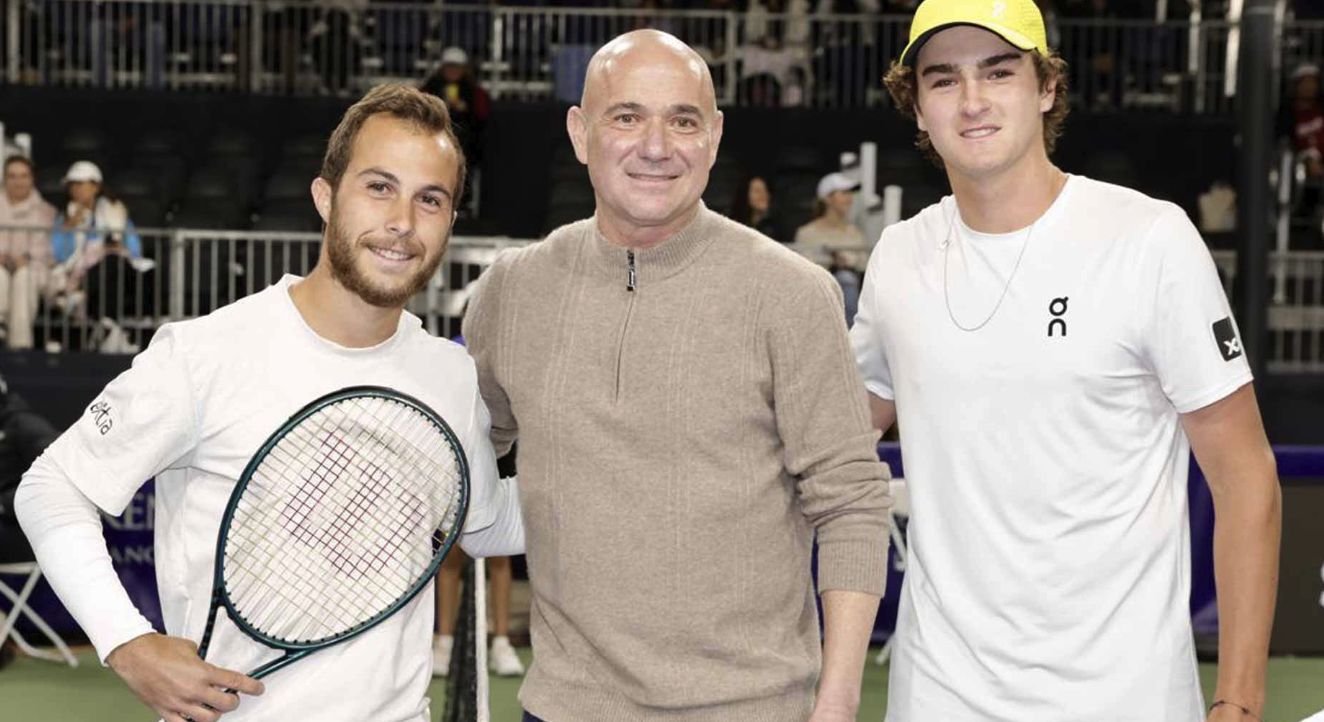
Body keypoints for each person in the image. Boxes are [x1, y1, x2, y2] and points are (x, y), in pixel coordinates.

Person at [16, 84, 525, 722]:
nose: (402, 220)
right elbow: (52, 487)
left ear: (450, 221)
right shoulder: (205, 353)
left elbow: (487, 524)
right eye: (378, 187)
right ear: (324, 197)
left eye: (430, 199)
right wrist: (127, 640)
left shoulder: (449, 376)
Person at [851, 1, 1281, 720]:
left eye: (998, 72)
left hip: (1125, 699)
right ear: (917, 108)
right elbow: (831, 443)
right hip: (939, 697)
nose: (974, 100)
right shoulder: (899, 256)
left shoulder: (1149, 240)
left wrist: (1238, 702)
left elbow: (1245, 479)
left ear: (1047, 87)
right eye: (944, 80)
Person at [464, 29, 891, 722]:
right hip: (564, 708)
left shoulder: (792, 294)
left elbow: (850, 503)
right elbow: (463, 453)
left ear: (714, 137)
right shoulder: (514, 291)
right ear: (580, 132)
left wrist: (838, 701)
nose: (656, 146)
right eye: (626, 116)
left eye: (683, 120)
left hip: (751, 708)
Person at [0, 156, 57, 349]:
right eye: (12, 176)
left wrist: (27, 259)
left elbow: (47, 251)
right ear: (4, 179)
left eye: (24, 176)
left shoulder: (46, 211)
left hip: (33, 269)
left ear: (32, 179)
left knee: (23, 277)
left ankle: (20, 346)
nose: (18, 181)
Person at [728, 173, 787, 243]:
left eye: (765, 190)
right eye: (758, 191)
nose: (764, 195)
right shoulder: (733, 224)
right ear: (745, 195)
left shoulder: (777, 226)